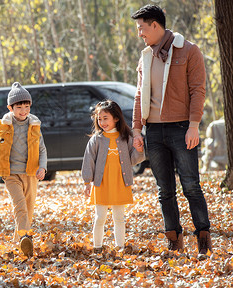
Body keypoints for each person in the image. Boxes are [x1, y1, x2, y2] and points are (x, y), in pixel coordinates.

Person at [131, 5, 212, 257]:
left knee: (191, 187)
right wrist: (136, 129)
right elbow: (138, 95)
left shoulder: (188, 50)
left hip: (182, 129)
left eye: (142, 28)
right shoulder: (145, 56)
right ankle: (174, 241)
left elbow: (198, 90)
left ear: (155, 25)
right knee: (164, 190)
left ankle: (203, 241)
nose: (140, 34)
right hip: (153, 132)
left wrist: (194, 126)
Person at [0, 82, 47, 257]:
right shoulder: (4, 124)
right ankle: (26, 236)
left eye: (27, 107)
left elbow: (42, 149)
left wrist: (43, 167)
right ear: (10, 108)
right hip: (10, 173)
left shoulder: (34, 124)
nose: (23, 111)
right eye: (19, 107)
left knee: (28, 208)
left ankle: (18, 242)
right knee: (19, 205)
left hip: (30, 172)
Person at [81, 100, 145, 253]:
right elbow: (88, 160)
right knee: (100, 217)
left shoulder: (126, 137)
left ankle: (120, 247)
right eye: (99, 118)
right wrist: (87, 182)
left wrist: (139, 149)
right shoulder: (96, 140)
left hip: (120, 182)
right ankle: (97, 247)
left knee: (119, 217)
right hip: (101, 183)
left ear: (116, 118)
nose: (102, 122)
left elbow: (133, 160)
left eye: (105, 118)